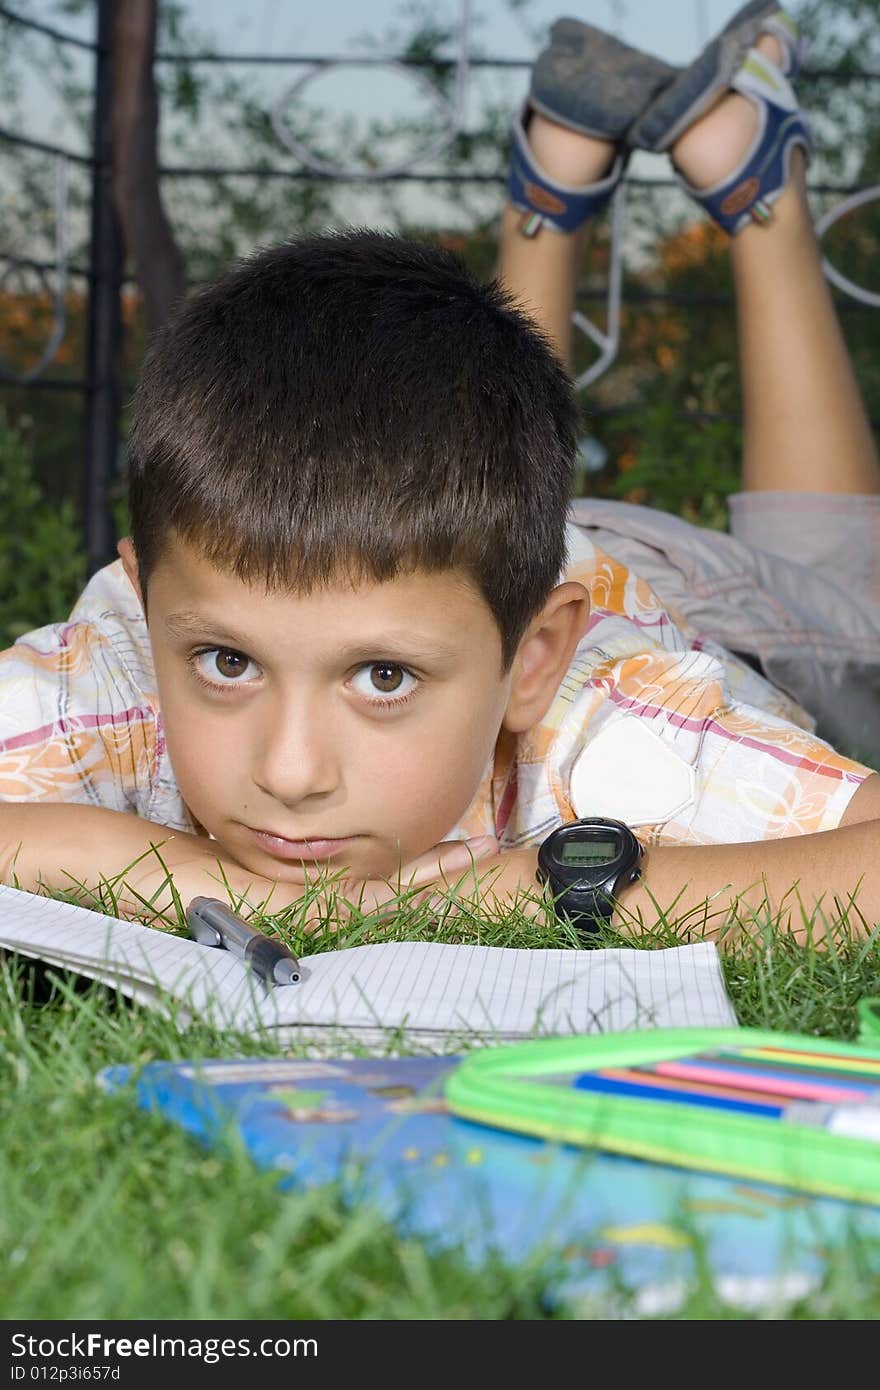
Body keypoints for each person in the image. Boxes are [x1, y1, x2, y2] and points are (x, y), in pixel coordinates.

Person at [0, 2, 877, 944]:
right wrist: (236, 895)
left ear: (533, 663)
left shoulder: (615, 721)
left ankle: (760, 189)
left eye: (383, 678)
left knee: (844, 579)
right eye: (228, 663)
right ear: (145, 602)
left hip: (710, 600)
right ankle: (552, 185)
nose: (292, 774)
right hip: (471, 547)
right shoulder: (126, 654)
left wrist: (519, 891)